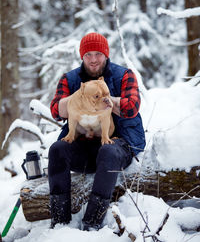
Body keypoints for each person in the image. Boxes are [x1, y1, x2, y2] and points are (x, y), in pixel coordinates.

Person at [48, 32, 146, 230]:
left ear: (106, 55)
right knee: (56, 149)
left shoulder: (123, 75)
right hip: (84, 146)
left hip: (119, 143)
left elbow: (131, 107)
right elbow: (55, 111)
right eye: (88, 55)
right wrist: (79, 98)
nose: (93, 60)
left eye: (98, 54)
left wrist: (104, 101)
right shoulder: (71, 79)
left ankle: (92, 223)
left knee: (108, 151)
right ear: (82, 56)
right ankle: (59, 222)